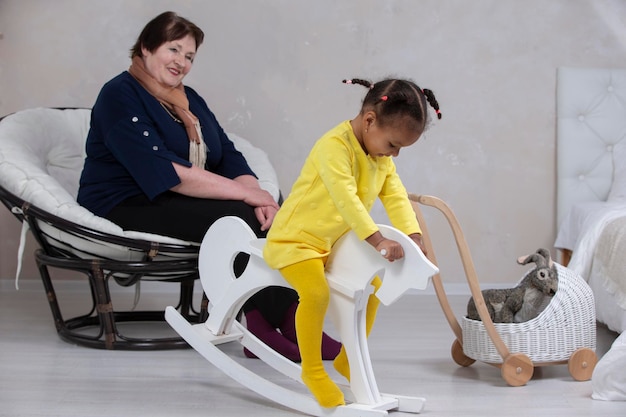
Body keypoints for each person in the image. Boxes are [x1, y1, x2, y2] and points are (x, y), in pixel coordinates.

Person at [76, 11, 340, 361]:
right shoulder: (119, 94)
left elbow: (226, 154)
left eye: (189, 57)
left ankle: (290, 319)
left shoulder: (188, 100)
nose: (181, 62)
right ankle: (262, 324)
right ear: (146, 47)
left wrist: (259, 196)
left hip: (168, 197)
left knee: (267, 216)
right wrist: (247, 195)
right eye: (173, 50)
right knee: (237, 216)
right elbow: (161, 170)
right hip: (123, 200)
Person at [263, 77, 441, 407]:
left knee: (370, 287)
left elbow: (395, 196)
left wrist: (413, 235)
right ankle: (313, 370)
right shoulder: (334, 146)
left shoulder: (381, 159)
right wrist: (376, 239)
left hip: (333, 242)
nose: (395, 154)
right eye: (393, 144)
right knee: (315, 294)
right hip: (295, 240)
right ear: (370, 120)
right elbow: (346, 199)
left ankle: (347, 358)